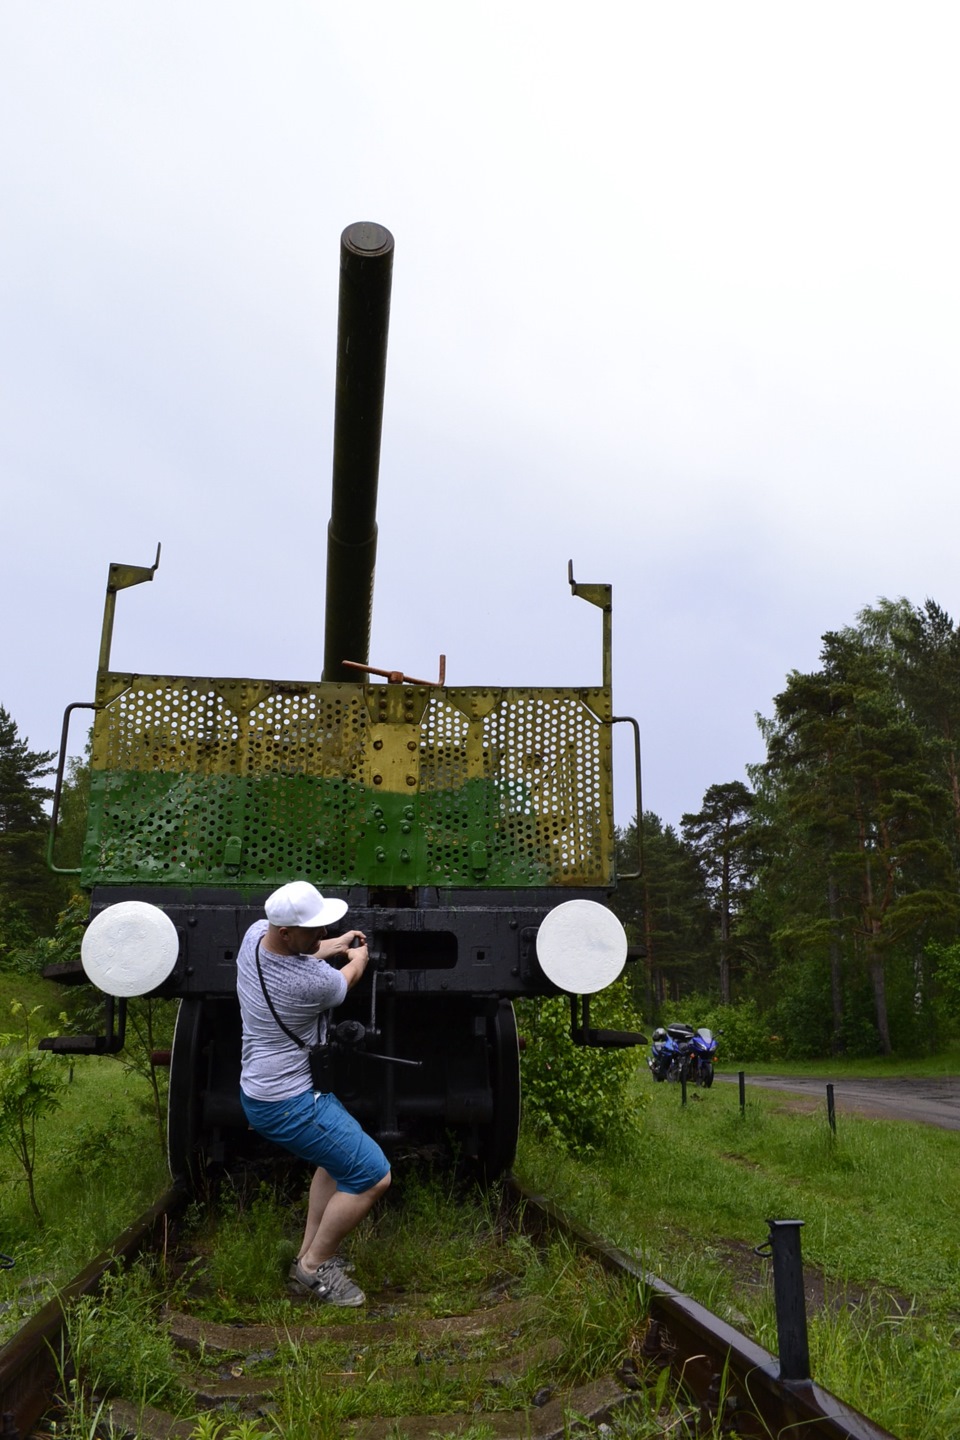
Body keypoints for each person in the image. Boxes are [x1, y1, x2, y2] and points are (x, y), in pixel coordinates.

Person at [236, 880, 391, 1307]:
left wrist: (335, 942)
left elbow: (306, 953)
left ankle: (308, 1254)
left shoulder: (254, 937)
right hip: (290, 1102)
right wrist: (356, 955)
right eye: (314, 930)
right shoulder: (312, 986)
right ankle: (313, 1269)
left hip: (261, 1089)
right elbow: (346, 980)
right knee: (373, 1176)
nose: (322, 936)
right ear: (285, 932)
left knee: (334, 1162)